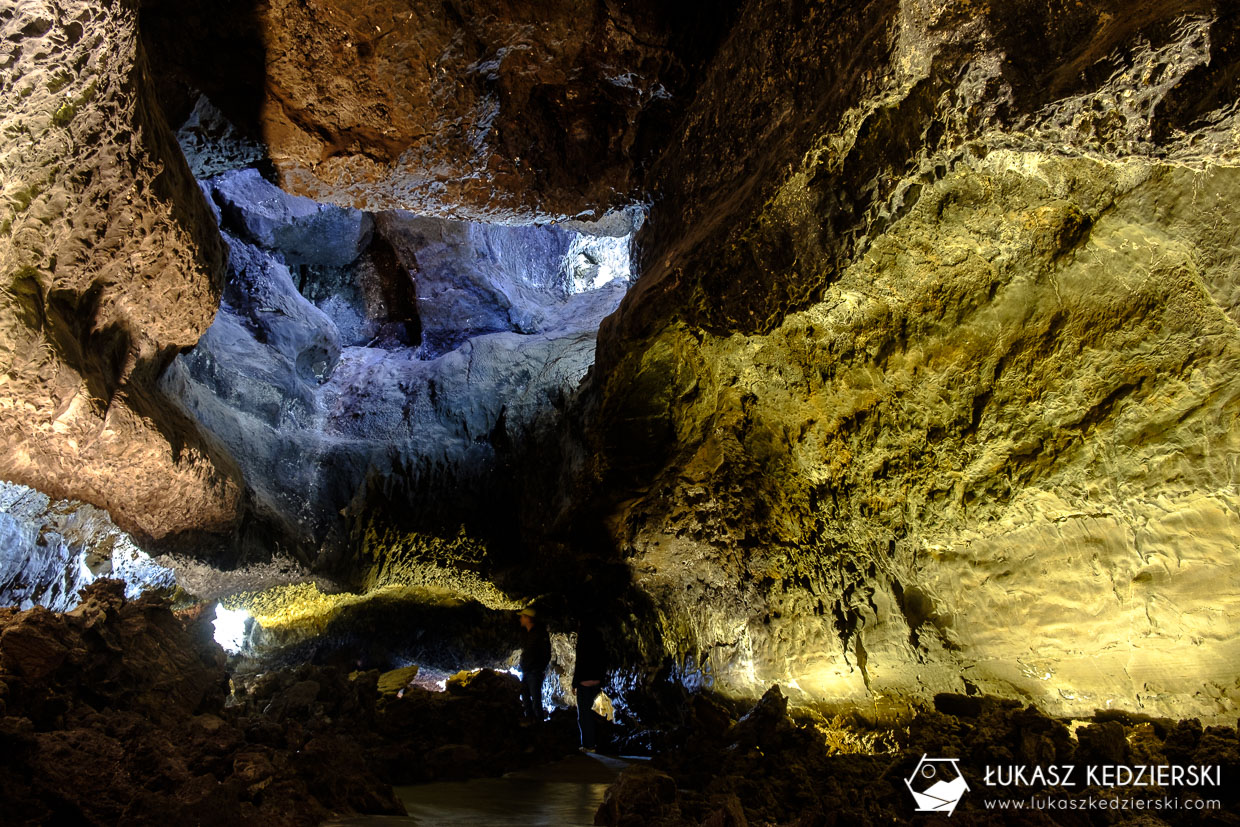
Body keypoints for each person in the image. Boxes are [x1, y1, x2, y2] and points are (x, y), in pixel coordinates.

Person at [572, 619, 607, 752]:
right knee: (594, 713)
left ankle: (588, 745)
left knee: (584, 715)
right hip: (596, 681)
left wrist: (575, 683)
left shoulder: (582, 640)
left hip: (584, 681)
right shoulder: (599, 638)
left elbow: (579, 662)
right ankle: (596, 743)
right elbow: (603, 659)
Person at [518, 607, 551, 721]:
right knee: (526, 699)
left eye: (522, 617)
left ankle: (539, 728)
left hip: (534, 672)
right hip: (527, 672)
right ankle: (531, 725)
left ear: (528, 618)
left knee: (536, 701)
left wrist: (539, 668)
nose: (520, 619)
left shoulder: (540, 634)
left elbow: (546, 654)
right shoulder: (527, 634)